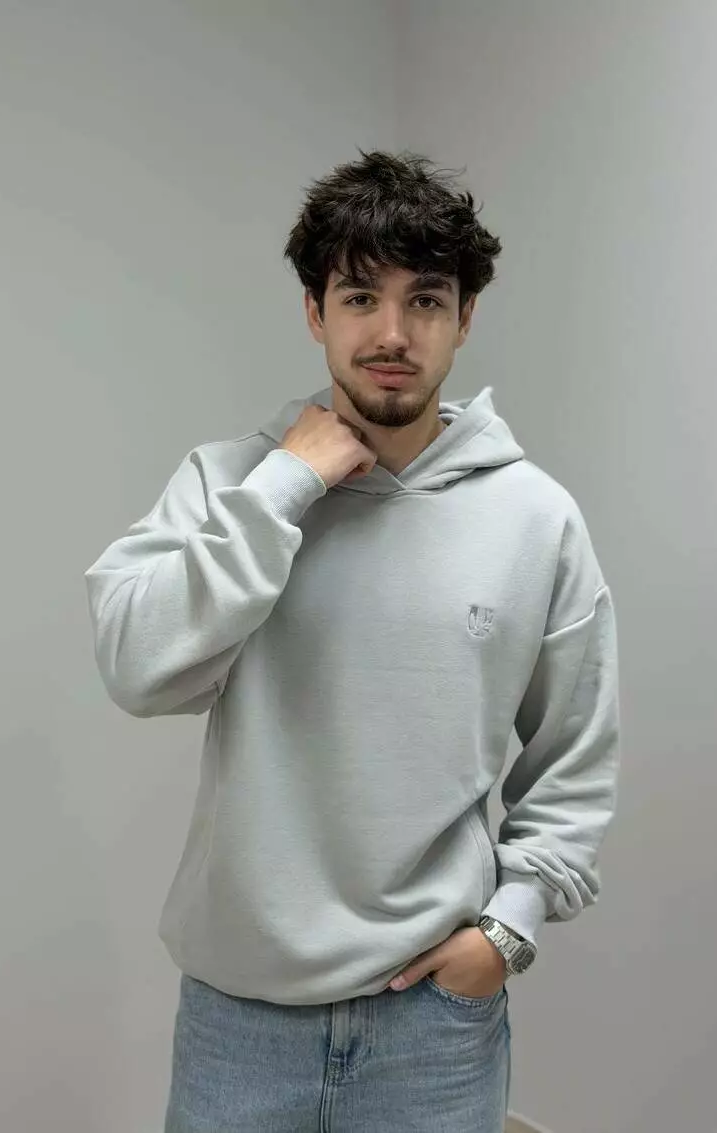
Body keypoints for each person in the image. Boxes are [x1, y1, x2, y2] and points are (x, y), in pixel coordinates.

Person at [85, 150, 620, 1132]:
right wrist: (285, 486)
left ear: (464, 317)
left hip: (432, 1026)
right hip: (237, 1019)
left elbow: (574, 756)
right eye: (359, 296)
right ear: (314, 311)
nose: (390, 333)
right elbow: (136, 667)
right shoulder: (228, 482)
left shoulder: (535, 517)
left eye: (425, 300)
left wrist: (508, 927)